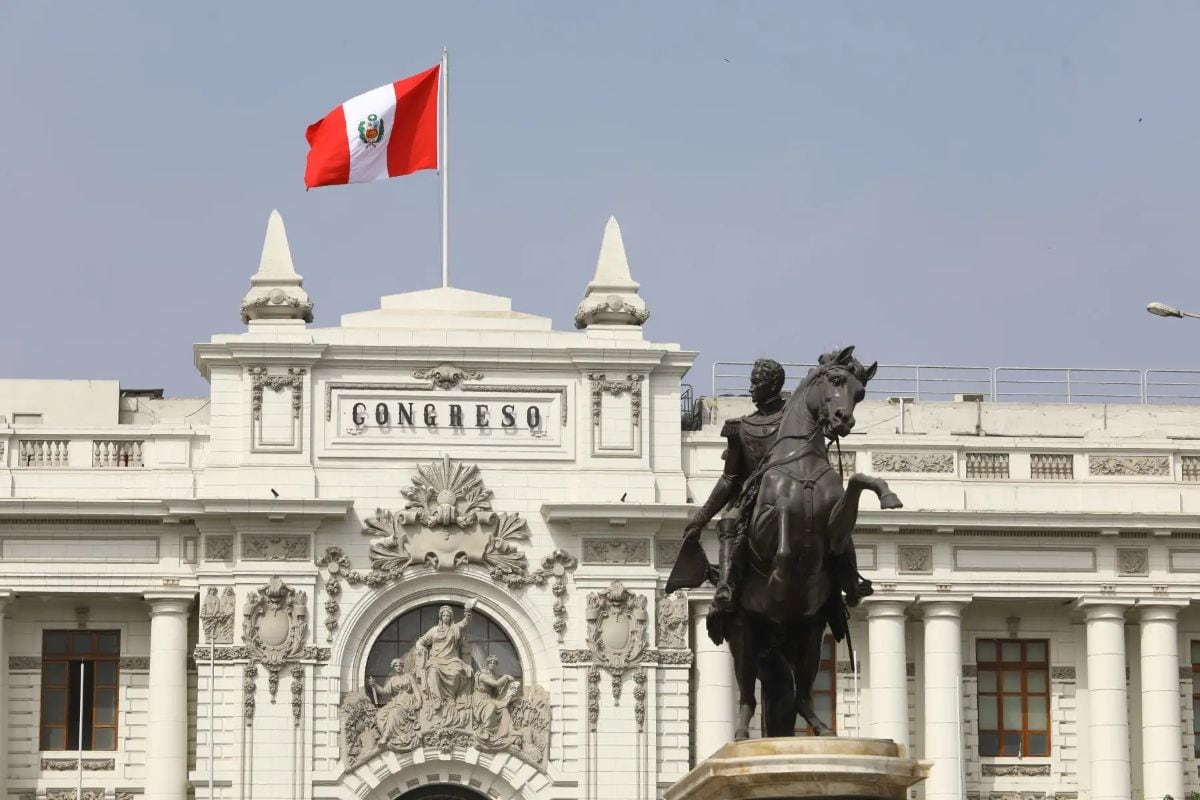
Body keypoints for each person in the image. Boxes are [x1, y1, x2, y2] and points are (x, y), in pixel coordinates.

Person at [667, 359, 872, 619]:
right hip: (755, 494)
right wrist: (700, 518)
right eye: (751, 382)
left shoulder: (798, 418)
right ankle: (726, 587)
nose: (751, 388)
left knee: (833, 515)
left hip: (802, 489)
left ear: (773, 385)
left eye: (757, 382)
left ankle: (850, 578)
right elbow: (729, 479)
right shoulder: (739, 427)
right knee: (729, 520)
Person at [417, 601, 475, 707]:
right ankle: (437, 700)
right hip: (436, 661)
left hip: (452, 660)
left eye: (448, 615)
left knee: (456, 673)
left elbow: (465, 623)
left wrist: (468, 610)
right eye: (444, 615)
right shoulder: (434, 630)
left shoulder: (455, 629)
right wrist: (420, 646)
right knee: (433, 672)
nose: (446, 617)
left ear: (451, 617)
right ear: (441, 617)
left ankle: (451, 697)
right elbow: (421, 641)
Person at [368, 657, 422, 749]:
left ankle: (385, 737)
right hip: (396, 700)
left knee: (394, 713)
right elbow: (384, 691)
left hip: (406, 699)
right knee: (380, 715)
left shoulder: (408, 676)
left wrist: (419, 701)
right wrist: (375, 685)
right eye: (396, 666)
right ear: (394, 667)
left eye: (400, 665)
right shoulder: (392, 680)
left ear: (402, 667)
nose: (398, 667)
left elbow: (416, 689)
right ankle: (390, 735)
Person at [471, 654, 520, 749]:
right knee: (491, 707)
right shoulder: (482, 675)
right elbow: (496, 684)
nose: (492, 664)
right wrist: (505, 677)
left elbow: (496, 692)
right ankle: (485, 731)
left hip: (490, 699)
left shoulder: (493, 675)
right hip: (481, 699)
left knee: (504, 709)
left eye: (494, 663)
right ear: (486, 664)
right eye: (490, 662)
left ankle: (508, 732)